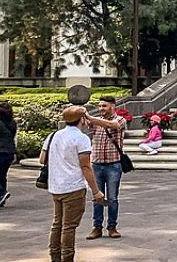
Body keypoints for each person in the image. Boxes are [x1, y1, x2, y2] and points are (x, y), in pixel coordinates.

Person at [44, 106, 105, 262]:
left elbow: (42, 159)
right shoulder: (81, 138)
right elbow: (86, 166)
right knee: (69, 226)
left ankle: (55, 256)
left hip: (56, 186)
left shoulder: (55, 135)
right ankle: (67, 257)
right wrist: (96, 191)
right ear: (82, 119)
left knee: (57, 224)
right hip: (73, 186)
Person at [84, 98, 126, 240]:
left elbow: (111, 125)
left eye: (104, 106)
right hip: (96, 165)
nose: (101, 108)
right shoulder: (95, 122)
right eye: (100, 106)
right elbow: (82, 124)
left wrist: (90, 117)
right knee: (97, 197)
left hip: (113, 165)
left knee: (112, 198)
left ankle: (112, 227)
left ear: (112, 107)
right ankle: (97, 227)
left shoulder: (120, 120)